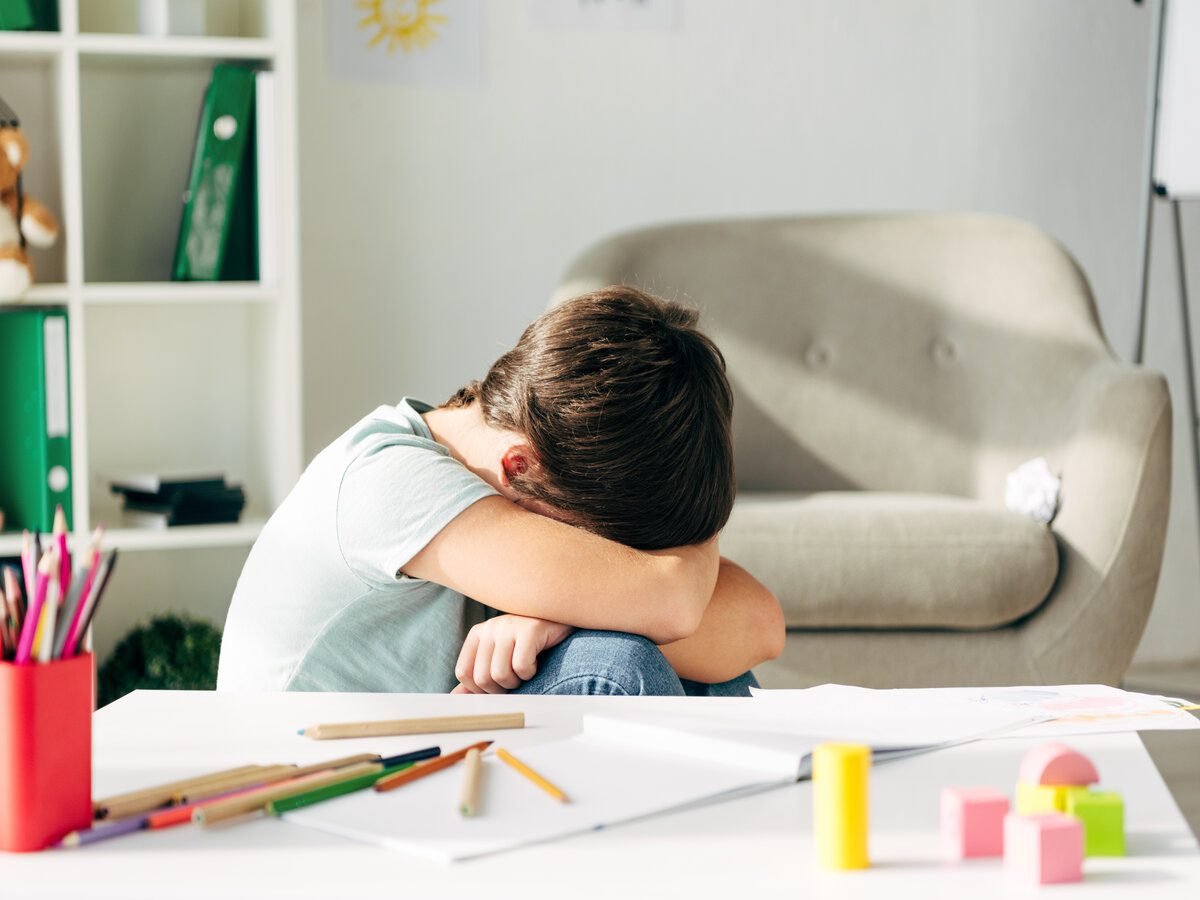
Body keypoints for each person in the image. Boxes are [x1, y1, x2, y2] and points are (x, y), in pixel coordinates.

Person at [216, 286, 784, 697]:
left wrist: (549, 616)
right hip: (313, 782)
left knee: (710, 675)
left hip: (425, 754)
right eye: (602, 539)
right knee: (614, 665)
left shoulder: (503, 467)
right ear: (519, 466)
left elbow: (760, 623)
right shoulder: (391, 481)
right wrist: (593, 610)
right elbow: (674, 600)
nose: (610, 558)